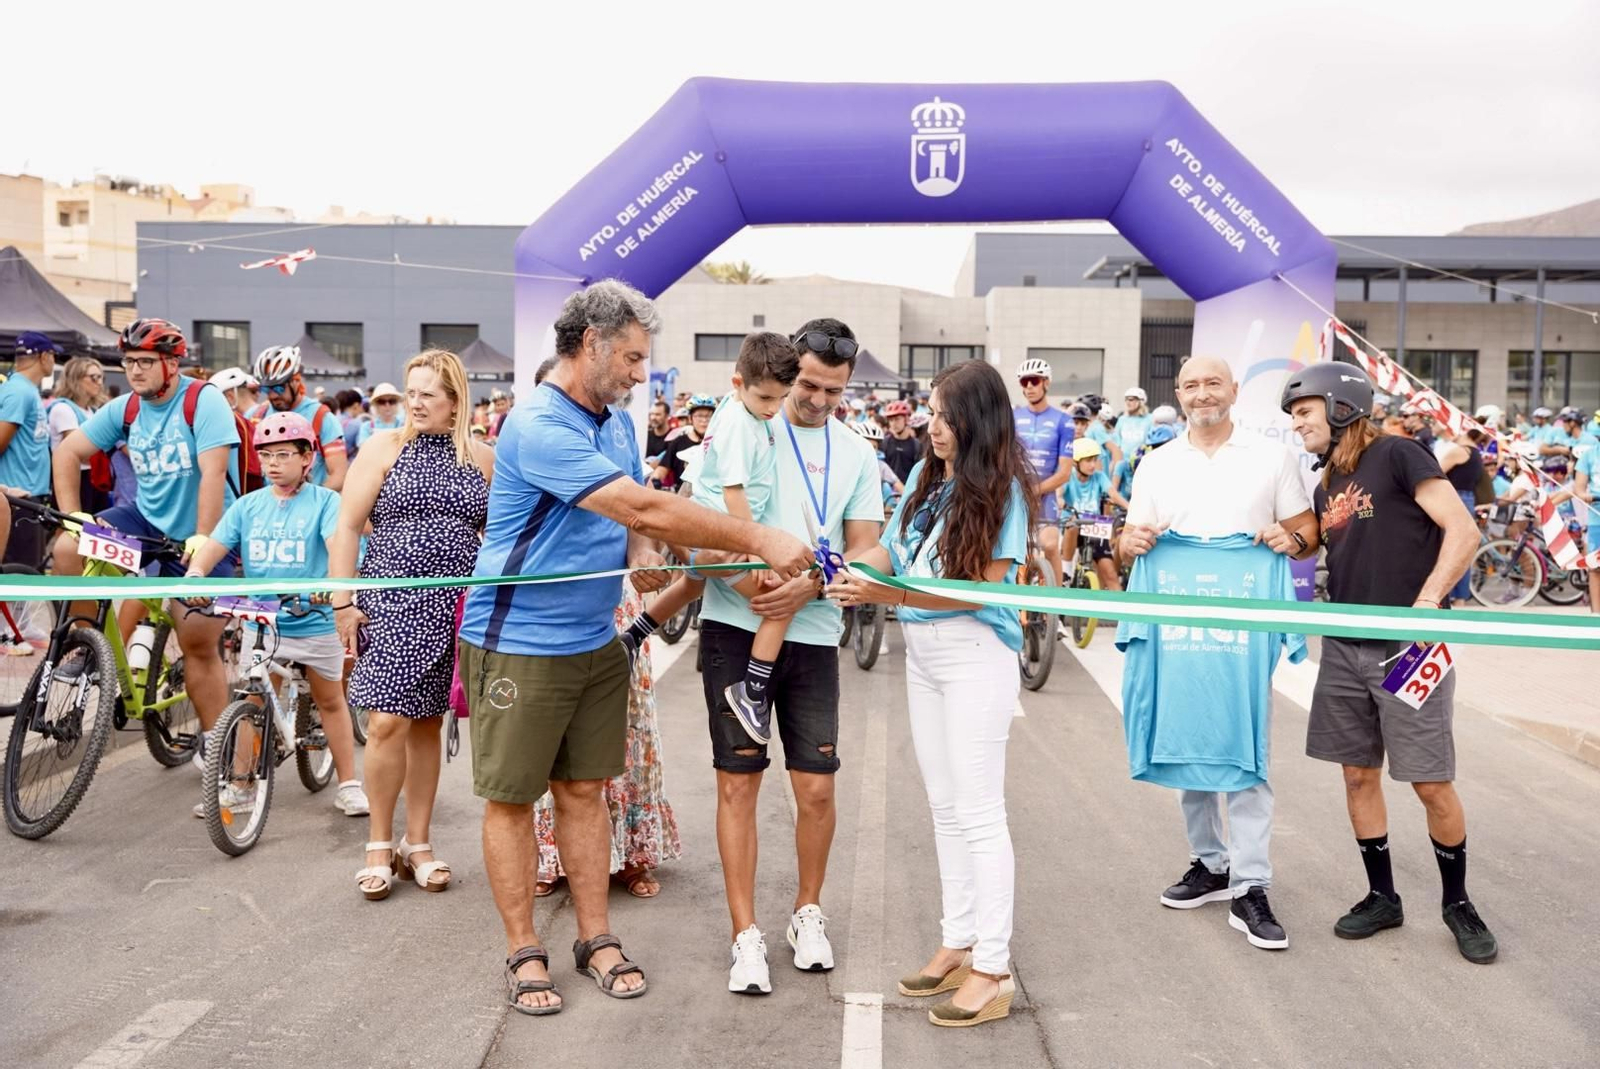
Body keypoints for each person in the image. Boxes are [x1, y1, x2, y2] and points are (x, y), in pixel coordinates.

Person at [455, 281, 812, 1016]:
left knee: (586, 791)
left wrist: (650, 545)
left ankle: (595, 936)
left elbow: (635, 512)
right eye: (631, 356)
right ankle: (524, 948)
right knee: (513, 800)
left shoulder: (616, 421)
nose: (641, 372)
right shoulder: (537, 424)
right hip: (518, 640)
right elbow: (640, 502)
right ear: (589, 344)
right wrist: (757, 537)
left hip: (594, 638)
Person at [827, 359, 1033, 1027]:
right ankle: (959, 937)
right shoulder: (923, 475)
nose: (932, 426)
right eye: (931, 413)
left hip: (976, 651)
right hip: (922, 652)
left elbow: (979, 588)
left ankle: (993, 966)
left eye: (946, 415)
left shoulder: (1005, 491)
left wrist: (886, 593)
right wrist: (840, 569)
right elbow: (888, 549)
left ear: (979, 420)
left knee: (979, 810)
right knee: (944, 805)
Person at [1281, 362, 1496, 964]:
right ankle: (1383, 897)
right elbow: (1329, 542)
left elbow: (1462, 529)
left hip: (1410, 648)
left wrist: (1427, 603)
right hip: (1345, 646)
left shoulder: (1400, 454)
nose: (1296, 425)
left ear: (1343, 405)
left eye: (1303, 412)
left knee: (1429, 780)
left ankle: (1457, 902)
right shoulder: (1327, 485)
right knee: (1356, 775)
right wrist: (1285, 538)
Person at [696, 318, 883, 997]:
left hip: (814, 629)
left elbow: (868, 546)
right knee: (737, 782)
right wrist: (754, 587)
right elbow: (701, 535)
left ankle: (808, 910)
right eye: (808, 384)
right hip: (731, 627)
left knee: (817, 784)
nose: (817, 400)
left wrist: (810, 584)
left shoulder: (857, 453)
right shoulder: (743, 423)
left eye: (834, 390)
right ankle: (745, 934)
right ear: (782, 373)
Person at [1119, 355, 1318, 951]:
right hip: (1179, 629)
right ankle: (1211, 862)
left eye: (1213, 383)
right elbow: (1135, 541)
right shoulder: (1155, 465)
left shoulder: (1270, 457)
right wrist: (1129, 541)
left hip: (1243, 631)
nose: (1202, 393)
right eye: (1191, 385)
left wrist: (1293, 539)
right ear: (1177, 395)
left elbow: (1307, 530)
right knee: (1188, 742)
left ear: (1233, 390)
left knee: (1246, 747)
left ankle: (1252, 884)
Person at [329, 350, 494, 901]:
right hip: (392, 603)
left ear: (455, 400)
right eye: (411, 392)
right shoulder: (381, 448)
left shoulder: (482, 457)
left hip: (455, 608)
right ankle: (378, 842)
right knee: (385, 724)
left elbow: (498, 540)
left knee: (428, 725)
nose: (415, 403)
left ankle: (417, 843)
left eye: (428, 394)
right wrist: (342, 600)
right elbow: (347, 527)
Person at [51, 319, 239, 753]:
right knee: (68, 547)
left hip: (203, 530)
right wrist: (73, 516)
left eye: (145, 362)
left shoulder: (203, 401)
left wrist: (202, 543)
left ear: (172, 364)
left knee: (196, 640)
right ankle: (86, 649)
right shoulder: (127, 408)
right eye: (129, 362)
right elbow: (68, 451)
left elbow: (213, 475)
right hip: (144, 521)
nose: (134, 371)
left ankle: (219, 752)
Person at [182, 411, 367, 819]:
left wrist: (335, 589)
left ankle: (349, 785)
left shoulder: (326, 502)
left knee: (331, 700)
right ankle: (243, 785)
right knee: (252, 699)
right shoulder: (249, 506)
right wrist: (196, 574)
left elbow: (340, 547)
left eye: (283, 454)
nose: (273, 464)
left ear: (307, 459)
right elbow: (216, 544)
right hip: (261, 623)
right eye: (265, 456)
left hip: (314, 620)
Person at [618, 334, 803, 740]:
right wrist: (756, 551)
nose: (774, 409)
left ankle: (633, 637)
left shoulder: (739, 410)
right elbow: (734, 492)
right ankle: (752, 691)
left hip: (709, 535)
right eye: (766, 399)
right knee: (780, 604)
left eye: (780, 399)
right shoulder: (741, 425)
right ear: (738, 384)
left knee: (690, 583)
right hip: (724, 540)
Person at [533, 580, 682, 899]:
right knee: (549, 725)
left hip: (614, 596)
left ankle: (631, 854)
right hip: (547, 592)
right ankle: (550, 855)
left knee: (627, 726)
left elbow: (648, 533)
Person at [0, 332, 59, 568]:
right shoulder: (20, 392)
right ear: (44, 356)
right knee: (21, 578)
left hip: (25, 496)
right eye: (54, 355)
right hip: (17, 497)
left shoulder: (23, 389)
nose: (54, 362)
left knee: (26, 575)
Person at [1012, 359, 1074, 585]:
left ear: (1046, 383)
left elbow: (1065, 472)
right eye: (1024, 382)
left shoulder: (1064, 421)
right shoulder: (1014, 418)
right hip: (1017, 494)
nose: (1028, 387)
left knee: (1049, 546)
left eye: (1034, 381)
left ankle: (1054, 609)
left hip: (1045, 496)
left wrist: (1036, 490)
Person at [251, 346, 347, 490]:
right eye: (266, 389)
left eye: (279, 388)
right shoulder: (257, 415)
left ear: (296, 381)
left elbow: (339, 474)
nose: (273, 395)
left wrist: (312, 501)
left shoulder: (321, 417)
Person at [45, 356, 111, 521]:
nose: (99, 382)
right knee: (72, 526)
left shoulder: (92, 410)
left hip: (94, 477)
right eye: (93, 377)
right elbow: (79, 452)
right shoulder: (63, 408)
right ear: (75, 379)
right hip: (74, 477)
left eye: (101, 377)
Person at [1061, 438, 1130, 591]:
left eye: (1094, 460)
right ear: (1076, 462)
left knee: (1111, 575)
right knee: (1072, 525)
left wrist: (1130, 507)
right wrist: (1059, 501)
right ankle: (1065, 571)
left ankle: (1122, 615)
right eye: (1088, 461)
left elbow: (1113, 494)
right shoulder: (1067, 477)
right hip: (1073, 526)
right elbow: (1058, 494)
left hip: (1095, 527)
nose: (1093, 465)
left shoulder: (1099, 477)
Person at [1435, 428, 1484, 606]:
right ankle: (1461, 598)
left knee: (1449, 550)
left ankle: (1447, 596)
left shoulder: (1459, 451)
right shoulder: (1477, 453)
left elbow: (1433, 471)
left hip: (1454, 498)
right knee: (1462, 549)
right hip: (1468, 498)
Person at [652, 393, 715, 490]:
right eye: (699, 416)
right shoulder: (678, 442)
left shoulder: (717, 442)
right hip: (683, 497)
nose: (704, 420)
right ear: (690, 418)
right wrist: (655, 480)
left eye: (708, 416)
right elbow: (662, 469)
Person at [881, 400, 920, 486]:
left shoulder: (916, 444)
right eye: (891, 420)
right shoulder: (885, 442)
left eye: (897, 419)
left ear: (906, 419)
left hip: (908, 490)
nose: (894, 423)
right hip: (889, 493)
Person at [357, 382, 406, 446]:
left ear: (397, 404)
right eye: (382, 402)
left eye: (391, 401)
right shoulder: (367, 427)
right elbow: (363, 449)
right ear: (375, 405)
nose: (387, 405)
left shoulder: (405, 426)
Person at [1115, 386, 1153, 459]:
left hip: (1142, 461)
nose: (1127, 402)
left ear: (1141, 401)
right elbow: (1117, 443)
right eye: (1126, 400)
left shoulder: (1150, 418)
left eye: (1131, 400)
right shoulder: (1122, 419)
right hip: (1124, 462)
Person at [645, 398, 672, 466]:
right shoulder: (646, 436)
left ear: (667, 416)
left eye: (657, 414)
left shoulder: (674, 437)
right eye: (651, 414)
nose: (653, 417)